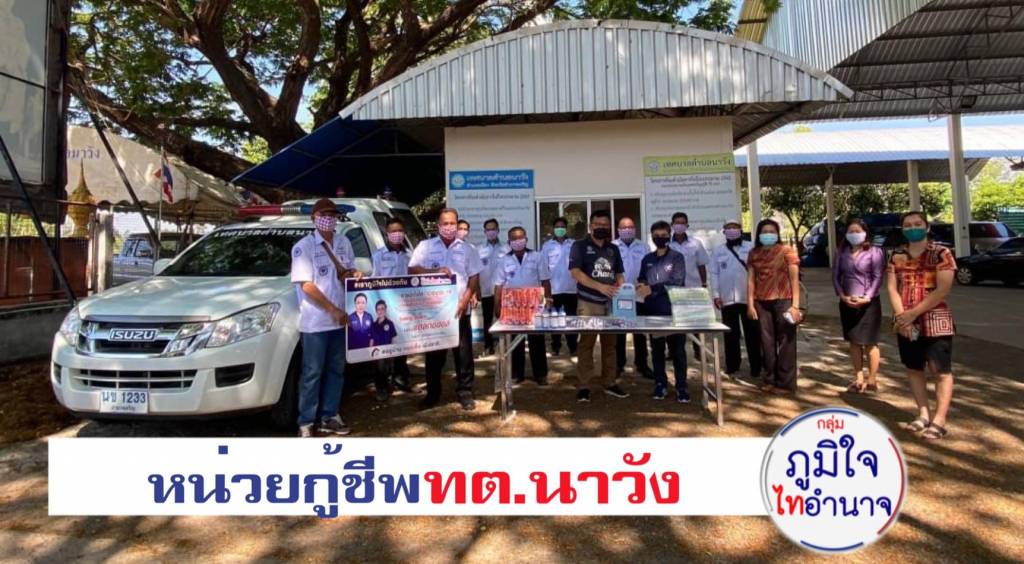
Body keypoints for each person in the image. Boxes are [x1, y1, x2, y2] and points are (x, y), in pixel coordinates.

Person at [290, 198, 361, 437]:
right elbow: (306, 285)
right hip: (315, 323)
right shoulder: (303, 247)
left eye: (332, 215)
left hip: (340, 321)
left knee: (336, 370)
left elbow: (348, 271)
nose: (328, 219)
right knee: (312, 373)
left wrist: (354, 274)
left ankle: (329, 416)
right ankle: (306, 422)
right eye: (323, 215)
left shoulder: (344, 242)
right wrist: (332, 309)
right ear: (313, 218)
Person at [886, 211, 956, 441]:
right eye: (907, 225)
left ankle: (939, 420)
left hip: (935, 320)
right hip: (906, 322)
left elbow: (942, 290)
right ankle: (923, 414)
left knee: (940, 370)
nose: (912, 228)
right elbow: (892, 288)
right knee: (914, 368)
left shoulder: (941, 254)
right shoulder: (896, 255)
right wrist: (901, 316)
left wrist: (912, 313)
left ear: (927, 227)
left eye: (917, 224)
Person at [409, 208, 484, 411]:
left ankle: (465, 391)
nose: (449, 227)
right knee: (434, 355)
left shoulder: (468, 249)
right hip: (435, 313)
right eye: (445, 223)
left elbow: (474, 276)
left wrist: (465, 300)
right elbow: (412, 269)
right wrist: (434, 271)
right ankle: (433, 394)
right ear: (438, 225)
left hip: (460, 310)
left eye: (453, 223)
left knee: (463, 354)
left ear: (457, 224)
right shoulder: (425, 246)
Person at [570, 209, 627, 402]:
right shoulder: (579, 246)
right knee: (586, 344)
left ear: (609, 227)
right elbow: (575, 273)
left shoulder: (613, 249)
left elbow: (619, 273)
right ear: (590, 226)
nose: (601, 227)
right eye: (597, 224)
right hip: (588, 302)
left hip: (610, 303)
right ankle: (584, 385)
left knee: (610, 345)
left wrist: (621, 286)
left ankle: (609, 382)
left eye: (605, 225)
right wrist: (600, 287)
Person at [747, 218, 802, 395]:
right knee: (766, 343)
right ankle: (770, 378)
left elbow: (794, 280)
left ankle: (786, 384)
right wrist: (750, 304)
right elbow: (751, 280)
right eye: (764, 232)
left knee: (786, 342)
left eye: (772, 231)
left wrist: (795, 306)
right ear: (758, 235)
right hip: (761, 302)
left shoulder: (786, 251)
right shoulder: (754, 253)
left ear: (777, 234)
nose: (768, 235)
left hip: (784, 300)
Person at [636, 221, 690, 403]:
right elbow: (642, 278)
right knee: (657, 350)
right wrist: (641, 285)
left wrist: (652, 288)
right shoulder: (647, 259)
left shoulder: (677, 257)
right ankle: (660, 384)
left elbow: (677, 281)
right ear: (652, 237)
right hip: (653, 312)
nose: (660, 238)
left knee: (678, 351)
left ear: (669, 235)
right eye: (656, 235)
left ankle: (682, 387)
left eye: (663, 235)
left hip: (674, 312)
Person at [833, 217, 885, 394]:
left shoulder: (875, 252)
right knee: (854, 342)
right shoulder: (841, 252)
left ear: (865, 233)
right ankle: (858, 377)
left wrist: (867, 296)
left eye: (858, 231)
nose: (854, 234)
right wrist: (842, 295)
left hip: (869, 303)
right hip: (847, 301)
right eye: (851, 231)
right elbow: (836, 276)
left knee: (870, 343)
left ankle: (872, 379)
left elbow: (878, 276)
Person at [494, 226, 551, 385]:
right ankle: (516, 374)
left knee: (536, 340)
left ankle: (541, 374)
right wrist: (497, 306)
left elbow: (545, 280)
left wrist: (548, 299)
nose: (518, 241)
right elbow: (498, 285)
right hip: (513, 306)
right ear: (509, 242)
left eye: (521, 238)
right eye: (514, 239)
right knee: (515, 341)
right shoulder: (504, 260)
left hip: (534, 304)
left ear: (526, 239)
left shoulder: (537, 256)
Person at [709, 219, 761, 379]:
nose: (732, 230)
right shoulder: (718, 251)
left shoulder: (751, 247)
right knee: (730, 334)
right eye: (728, 228)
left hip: (748, 299)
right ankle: (732, 365)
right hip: (727, 299)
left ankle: (756, 366)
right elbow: (714, 274)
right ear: (724, 231)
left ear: (740, 229)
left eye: (735, 227)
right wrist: (716, 295)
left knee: (752, 333)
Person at [371, 216, 413, 394]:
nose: (397, 234)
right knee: (383, 348)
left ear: (404, 233)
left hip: (404, 308)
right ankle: (381, 386)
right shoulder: (379, 255)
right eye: (393, 231)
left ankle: (400, 378)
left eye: (400, 231)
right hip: (385, 309)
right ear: (386, 234)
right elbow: (373, 282)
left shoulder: (409, 254)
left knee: (402, 345)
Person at [614, 216, 654, 380]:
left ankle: (642, 363)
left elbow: (649, 269)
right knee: (619, 331)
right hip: (620, 295)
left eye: (630, 227)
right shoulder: (613, 247)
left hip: (639, 295)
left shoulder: (643, 247)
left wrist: (645, 284)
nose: (627, 230)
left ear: (635, 229)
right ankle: (619, 364)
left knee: (640, 331)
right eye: (624, 227)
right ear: (618, 230)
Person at [669, 212, 709, 360]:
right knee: (674, 321)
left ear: (687, 225)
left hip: (693, 287)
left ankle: (699, 351)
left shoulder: (696, 243)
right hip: (674, 290)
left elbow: (701, 265)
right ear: (672, 225)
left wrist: (704, 284)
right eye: (677, 223)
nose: (679, 225)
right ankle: (673, 352)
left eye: (682, 223)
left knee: (695, 322)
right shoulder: (667, 244)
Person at [541, 217, 578, 356]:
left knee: (571, 319)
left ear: (566, 228)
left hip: (571, 288)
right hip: (554, 289)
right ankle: (555, 346)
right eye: (557, 226)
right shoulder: (547, 246)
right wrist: (546, 291)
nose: (560, 229)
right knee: (554, 319)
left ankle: (573, 346)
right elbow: (544, 268)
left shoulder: (574, 244)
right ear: (553, 229)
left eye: (562, 226)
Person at [477, 218, 507, 356]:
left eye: (493, 229)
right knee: (487, 319)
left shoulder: (506, 248)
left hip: (503, 291)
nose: (491, 232)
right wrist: (477, 289)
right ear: (484, 232)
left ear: (498, 230)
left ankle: (505, 345)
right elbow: (476, 271)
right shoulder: (479, 249)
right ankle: (488, 345)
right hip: (486, 290)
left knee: (504, 318)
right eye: (488, 229)